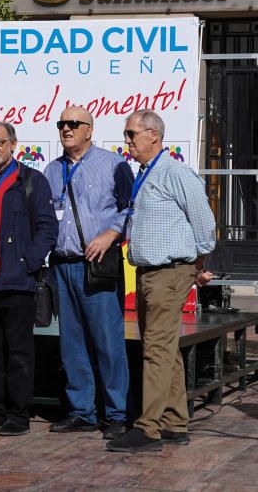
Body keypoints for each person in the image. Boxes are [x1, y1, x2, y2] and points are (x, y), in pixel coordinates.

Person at [107, 109, 216, 453]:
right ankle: (174, 421)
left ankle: (148, 427)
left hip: (169, 272)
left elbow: (204, 223)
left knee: (155, 349)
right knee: (165, 349)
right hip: (149, 272)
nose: (127, 141)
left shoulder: (176, 173)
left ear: (153, 135)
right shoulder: (145, 173)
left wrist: (195, 261)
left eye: (131, 134)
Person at [44, 106, 134, 439]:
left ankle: (117, 414)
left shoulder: (114, 165)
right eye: (61, 124)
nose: (66, 129)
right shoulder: (51, 170)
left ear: (89, 130)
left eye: (73, 124)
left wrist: (111, 233)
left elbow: (131, 208)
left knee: (108, 342)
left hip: (97, 266)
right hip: (63, 265)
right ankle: (81, 410)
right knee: (72, 344)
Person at [0, 121, 57, 436]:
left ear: (13, 144)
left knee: (19, 351)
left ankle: (19, 414)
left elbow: (47, 228)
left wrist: (28, 262)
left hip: (16, 280)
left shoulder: (30, 180)